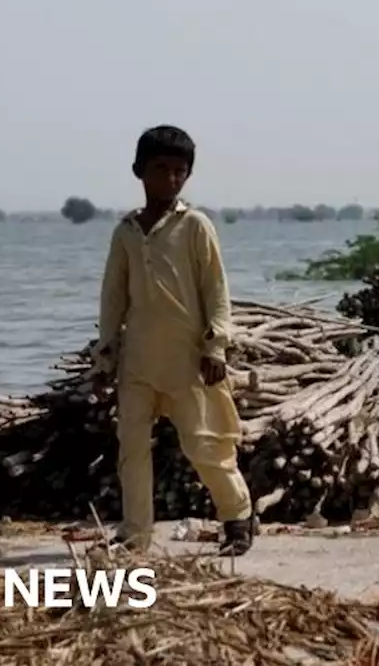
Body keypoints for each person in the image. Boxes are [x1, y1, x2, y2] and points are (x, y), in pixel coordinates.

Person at [94, 125, 254, 555]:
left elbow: (216, 291)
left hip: (187, 359)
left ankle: (238, 518)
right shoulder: (126, 232)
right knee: (132, 451)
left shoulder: (195, 226)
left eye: (179, 171)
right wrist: (104, 355)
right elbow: (113, 298)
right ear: (138, 171)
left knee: (205, 444)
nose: (169, 179)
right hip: (139, 361)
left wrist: (216, 345)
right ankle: (135, 535)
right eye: (160, 169)